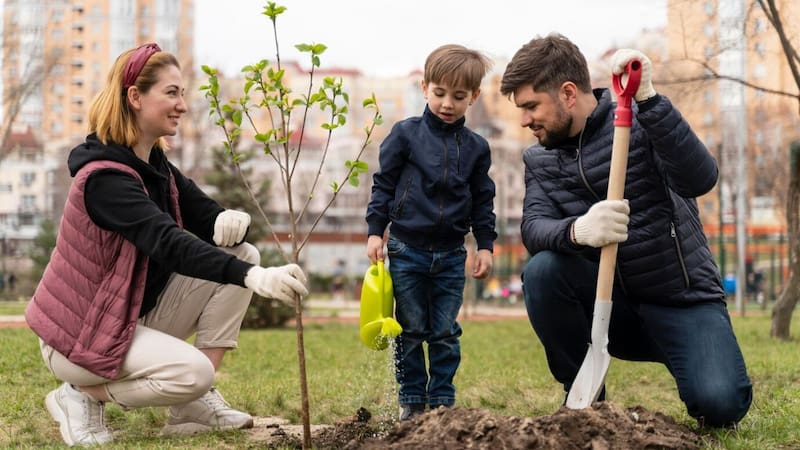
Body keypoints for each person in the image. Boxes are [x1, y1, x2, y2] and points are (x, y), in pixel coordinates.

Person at [24, 43, 309, 446]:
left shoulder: (156, 166)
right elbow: (169, 243)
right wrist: (253, 278)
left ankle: (191, 405)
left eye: (182, 93)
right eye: (171, 93)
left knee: (243, 253)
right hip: (78, 338)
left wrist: (231, 221)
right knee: (192, 371)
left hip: (125, 317)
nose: (183, 105)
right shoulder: (104, 179)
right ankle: (80, 396)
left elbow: (206, 219)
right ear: (136, 97)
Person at [499, 34, 752, 428]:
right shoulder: (540, 159)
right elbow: (534, 227)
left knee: (720, 404)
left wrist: (650, 101)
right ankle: (584, 398)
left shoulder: (640, 124)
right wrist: (578, 231)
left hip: (680, 301)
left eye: (531, 106)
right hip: (609, 309)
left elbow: (700, 178)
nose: (524, 120)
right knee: (542, 270)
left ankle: (697, 359)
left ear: (568, 93)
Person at [365, 44, 497, 421]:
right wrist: (376, 231)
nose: (447, 104)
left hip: (453, 255)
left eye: (458, 97)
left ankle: (441, 402)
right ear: (425, 88)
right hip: (407, 250)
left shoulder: (476, 148)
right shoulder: (405, 136)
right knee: (410, 330)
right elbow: (383, 185)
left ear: (472, 97)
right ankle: (411, 401)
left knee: (443, 332)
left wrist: (485, 245)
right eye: (439, 93)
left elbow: (483, 199)